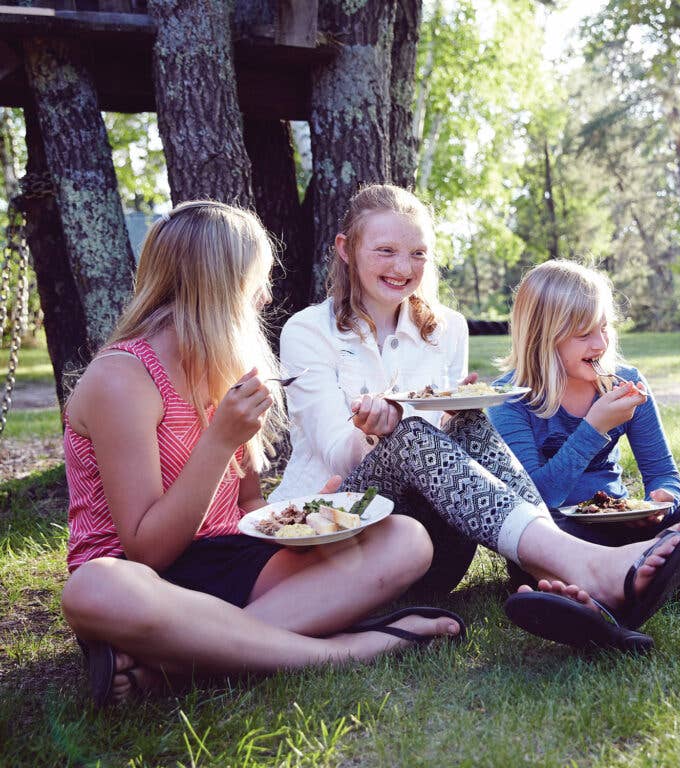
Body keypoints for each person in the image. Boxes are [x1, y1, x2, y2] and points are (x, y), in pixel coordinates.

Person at [272, 184, 680, 652]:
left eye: (417, 253)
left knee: (467, 420)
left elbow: (450, 450)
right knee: (407, 432)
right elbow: (335, 452)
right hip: (340, 531)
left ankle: (564, 574)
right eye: (385, 250)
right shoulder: (306, 332)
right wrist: (376, 431)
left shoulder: (447, 328)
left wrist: (453, 413)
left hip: (437, 549)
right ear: (346, 250)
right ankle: (584, 569)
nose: (403, 268)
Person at [60, 201, 467, 708]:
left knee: (405, 539)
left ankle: (173, 666)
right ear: (219, 283)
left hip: (225, 563)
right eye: (257, 280)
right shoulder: (123, 378)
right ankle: (346, 650)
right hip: (142, 581)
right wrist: (219, 441)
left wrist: (309, 522)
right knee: (92, 589)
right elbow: (148, 551)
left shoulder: (223, 365)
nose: (266, 295)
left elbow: (247, 511)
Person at [487, 260, 680, 599]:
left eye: (604, 328)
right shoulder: (510, 400)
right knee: (538, 541)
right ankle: (658, 571)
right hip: (561, 536)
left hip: (624, 528)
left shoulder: (626, 382)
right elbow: (537, 500)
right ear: (541, 338)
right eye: (583, 334)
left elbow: (663, 473)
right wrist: (594, 428)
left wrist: (662, 501)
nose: (600, 344)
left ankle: (639, 570)